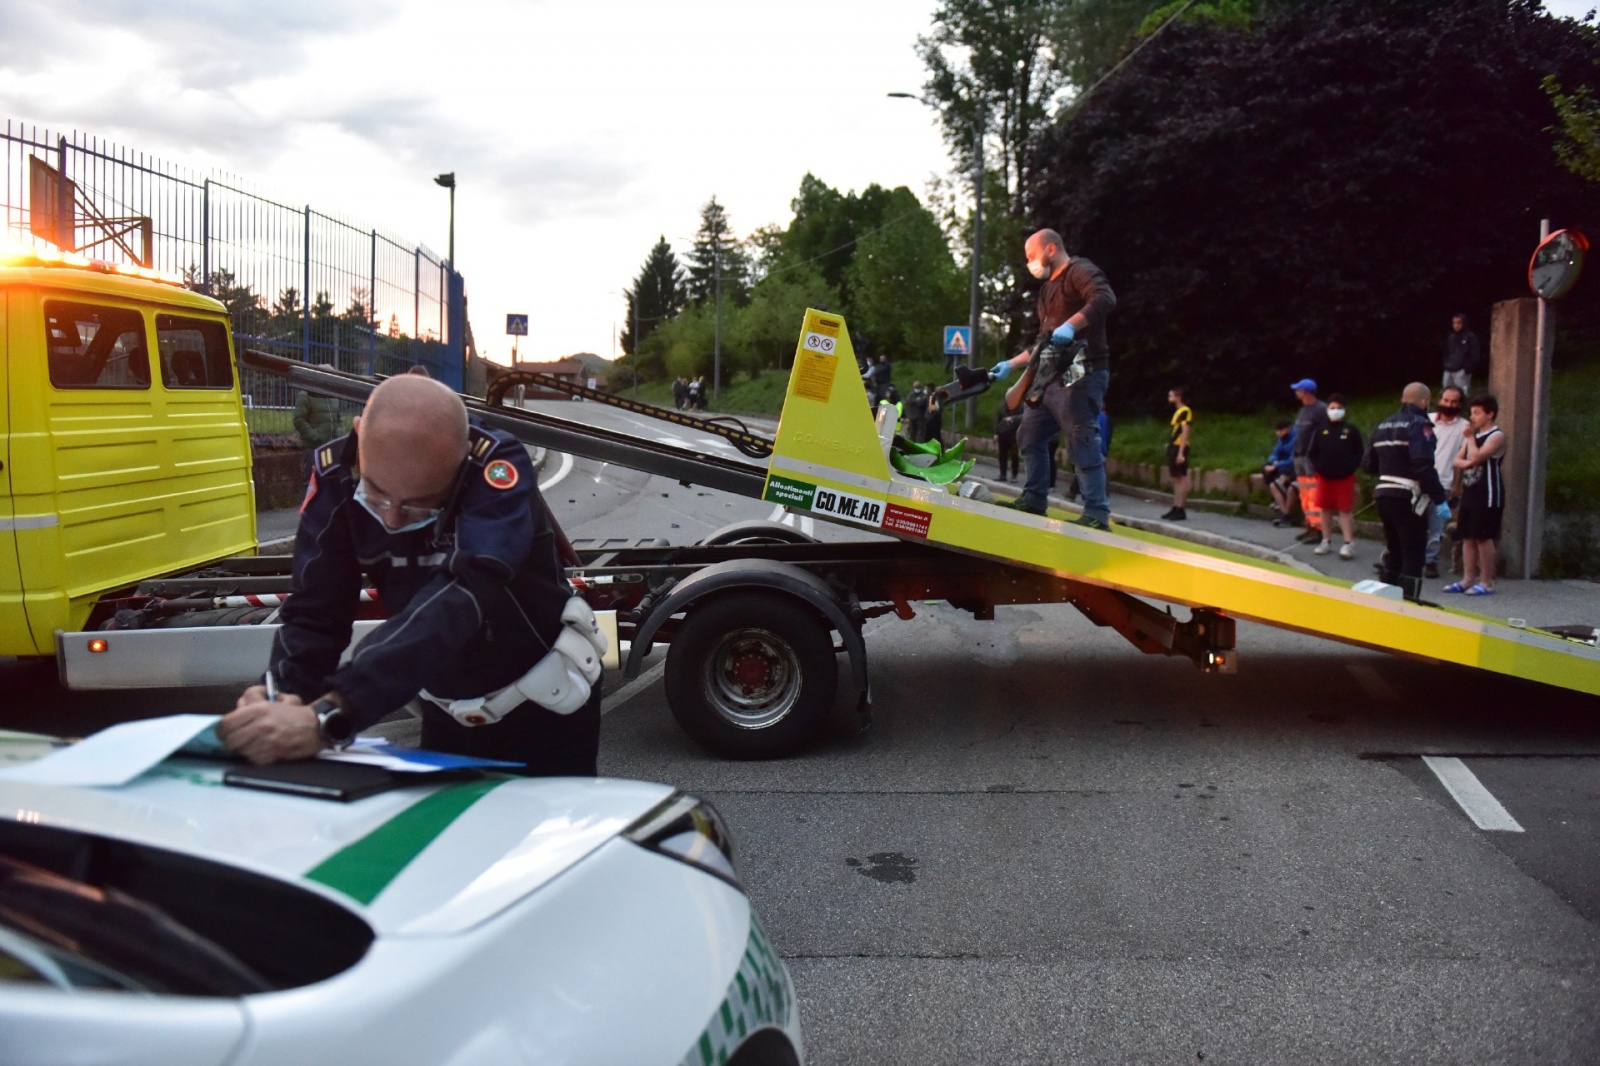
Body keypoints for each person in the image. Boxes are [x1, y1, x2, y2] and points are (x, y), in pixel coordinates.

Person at [216, 374, 603, 774]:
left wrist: (338, 709)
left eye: (420, 506)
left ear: (460, 459)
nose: (392, 518)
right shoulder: (337, 475)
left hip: (548, 714)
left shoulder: (496, 465)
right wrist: (282, 696)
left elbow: (463, 591)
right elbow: (316, 610)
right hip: (445, 714)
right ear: (358, 437)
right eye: (376, 494)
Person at [989, 228, 1116, 530]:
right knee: (1028, 435)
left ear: (1049, 249)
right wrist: (1009, 364)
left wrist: (1072, 326)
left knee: (1080, 438)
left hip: (1082, 373)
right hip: (1048, 378)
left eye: (1031, 256)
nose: (1030, 263)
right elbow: (1042, 343)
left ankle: (1096, 512)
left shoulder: (1080, 271)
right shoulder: (1047, 291)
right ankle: (1034, 498)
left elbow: (1105, 298)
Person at [1363, 382, 1447, 602]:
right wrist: (1440, 499)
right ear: (1424, 401)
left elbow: (1368, 464)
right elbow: (1423, 465)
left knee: (1395, 550)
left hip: (1383, 493)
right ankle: (1408, 605)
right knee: (1414, 553)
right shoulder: (1419, 425)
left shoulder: (1383, 424)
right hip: (1407, 496)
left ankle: (1383, 601)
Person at [1444, 393, 1506, 596]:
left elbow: (1477, 457)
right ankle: (1467, 578)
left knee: (1483, 536)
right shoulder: (1474, 436)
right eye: (1471, 413)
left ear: (1490, 414)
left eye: (1477, 413)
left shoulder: (1496, 436)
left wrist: (1470, 440)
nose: (1473, 418)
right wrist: (1470, 456)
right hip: (1470, 490)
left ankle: (1486, 581)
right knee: (1467, 535)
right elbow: (1458, 461)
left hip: (1488, 491)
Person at [1307, 393, 1363, 559]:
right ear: (1327, 409)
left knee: (1344, 509)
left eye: (1339, 408)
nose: (1335, 411)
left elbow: (1358, 452)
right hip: (1324, 477)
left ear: (1344, 410)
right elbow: (1312, 453)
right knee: (1325, 509)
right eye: (1332, 408)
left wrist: (1350, 468)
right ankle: (1326, 540)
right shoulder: (1320, 430)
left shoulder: (1351, 430)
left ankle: (1348, 543)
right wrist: (1320, 468)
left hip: (1344, 477)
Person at [1425, 385, 1469, 578]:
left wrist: (1456, 485)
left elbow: (1461, 460)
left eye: (1454, 402)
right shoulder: (1426, 420)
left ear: (1460, 404)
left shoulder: (1464, 428)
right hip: (1419, 481)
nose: (1449, 405)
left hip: (1443, 482)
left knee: (1437, 527)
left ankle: (1430, 561)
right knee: (1410, 524)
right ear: (1439, 400)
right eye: (1446, 400)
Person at [1289, 378, 1329, 544]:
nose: (1296, 392)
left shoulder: (1320, 409)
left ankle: (1318, 529)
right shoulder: (1303, 410)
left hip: (1311, 457)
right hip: (1299, 456)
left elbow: (1324, 433)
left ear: (1305, 392)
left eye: (1298, 389)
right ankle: (1310, 524)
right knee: (1304, 493)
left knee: (1314, 493)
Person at [292, 388, 342, 486]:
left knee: (329, 482)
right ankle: (306, 501)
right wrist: (315, 436)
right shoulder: (305, 396)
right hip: (313, 448)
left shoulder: (333, 397)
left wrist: (339, 435)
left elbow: (338, 419)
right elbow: (299, 419)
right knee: (310, 483)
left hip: (331, 448)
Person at [1162, 387, 1192, 521]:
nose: (1169, 397)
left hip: (1180, 446)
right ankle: (1175, 506)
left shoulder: (1185, 411)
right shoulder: (1178, 411)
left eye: (1171, 395)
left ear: (1178, 396)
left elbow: (1185, 431)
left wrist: (1181, 452)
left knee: (1181, 477)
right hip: (1174, 445)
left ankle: (1180, 508)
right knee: (1176, 478)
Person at [1263, 419, 1297, 526]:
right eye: (1277, 431)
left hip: (1293, 466)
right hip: (1283, 463)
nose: (1278, 433)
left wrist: (1277, 465)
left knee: (1291, 488)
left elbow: (1293, 459)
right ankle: (1279, 504)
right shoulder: (1282, 439)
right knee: (1266, 469)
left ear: (1288, 429)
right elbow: (1275, 452)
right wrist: (1273, 461)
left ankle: (1286, 515)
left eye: (1281, 431)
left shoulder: (1295, 439)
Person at [1443, 313, 1481, 396]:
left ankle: (1464, 408)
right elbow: (1447, 352)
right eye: (1454, 323)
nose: (1456, 325)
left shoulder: (1470, 336)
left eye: (1458, 323)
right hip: (1449, 369)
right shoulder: (1451, 337)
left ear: (1464, 323)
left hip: (1462, 371)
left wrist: (1467, 369)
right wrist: (1446, 365)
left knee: (1463, 394)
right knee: (1447, 393)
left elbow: (1475, 354)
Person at [995, 400, 1023, 483]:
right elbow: (998, 419)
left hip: (1014, 435)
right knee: (1002, 455)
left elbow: (1021, 421)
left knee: (1014, 456)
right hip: (1003, 434)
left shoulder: (1020, 407)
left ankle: (1014, 475)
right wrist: (996, 432)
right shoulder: (1002, 406)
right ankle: (1002, 474)